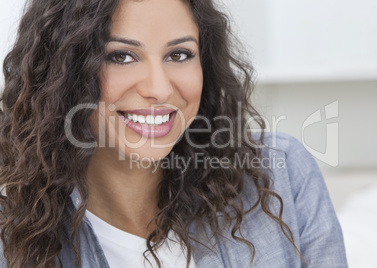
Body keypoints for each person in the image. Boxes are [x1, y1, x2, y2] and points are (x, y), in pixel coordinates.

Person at [0, 0, 348, 267]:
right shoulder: (12, 232)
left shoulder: (280, 174)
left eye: (179, 54)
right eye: (121, 56)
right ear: (62, 73)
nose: (159, 89)